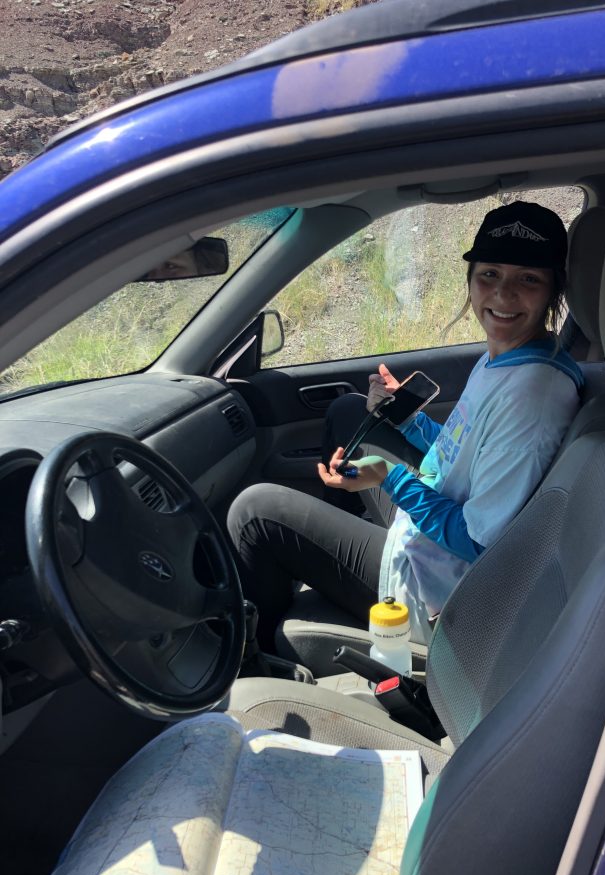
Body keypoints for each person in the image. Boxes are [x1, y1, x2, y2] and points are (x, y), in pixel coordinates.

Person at [227, 201, 583, 650]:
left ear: (553, 290)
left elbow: (478, 543)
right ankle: (334, 559)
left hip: (437, 585)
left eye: (528, 279)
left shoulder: (532, 395)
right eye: (490, 273)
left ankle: (256, 655)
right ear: (471, 279)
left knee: (255, 512)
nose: (503, 294)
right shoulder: (508, 357)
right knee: (350, 411)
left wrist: (390, 479)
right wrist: (410, 421)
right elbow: (464, 452)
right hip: (428, 527)